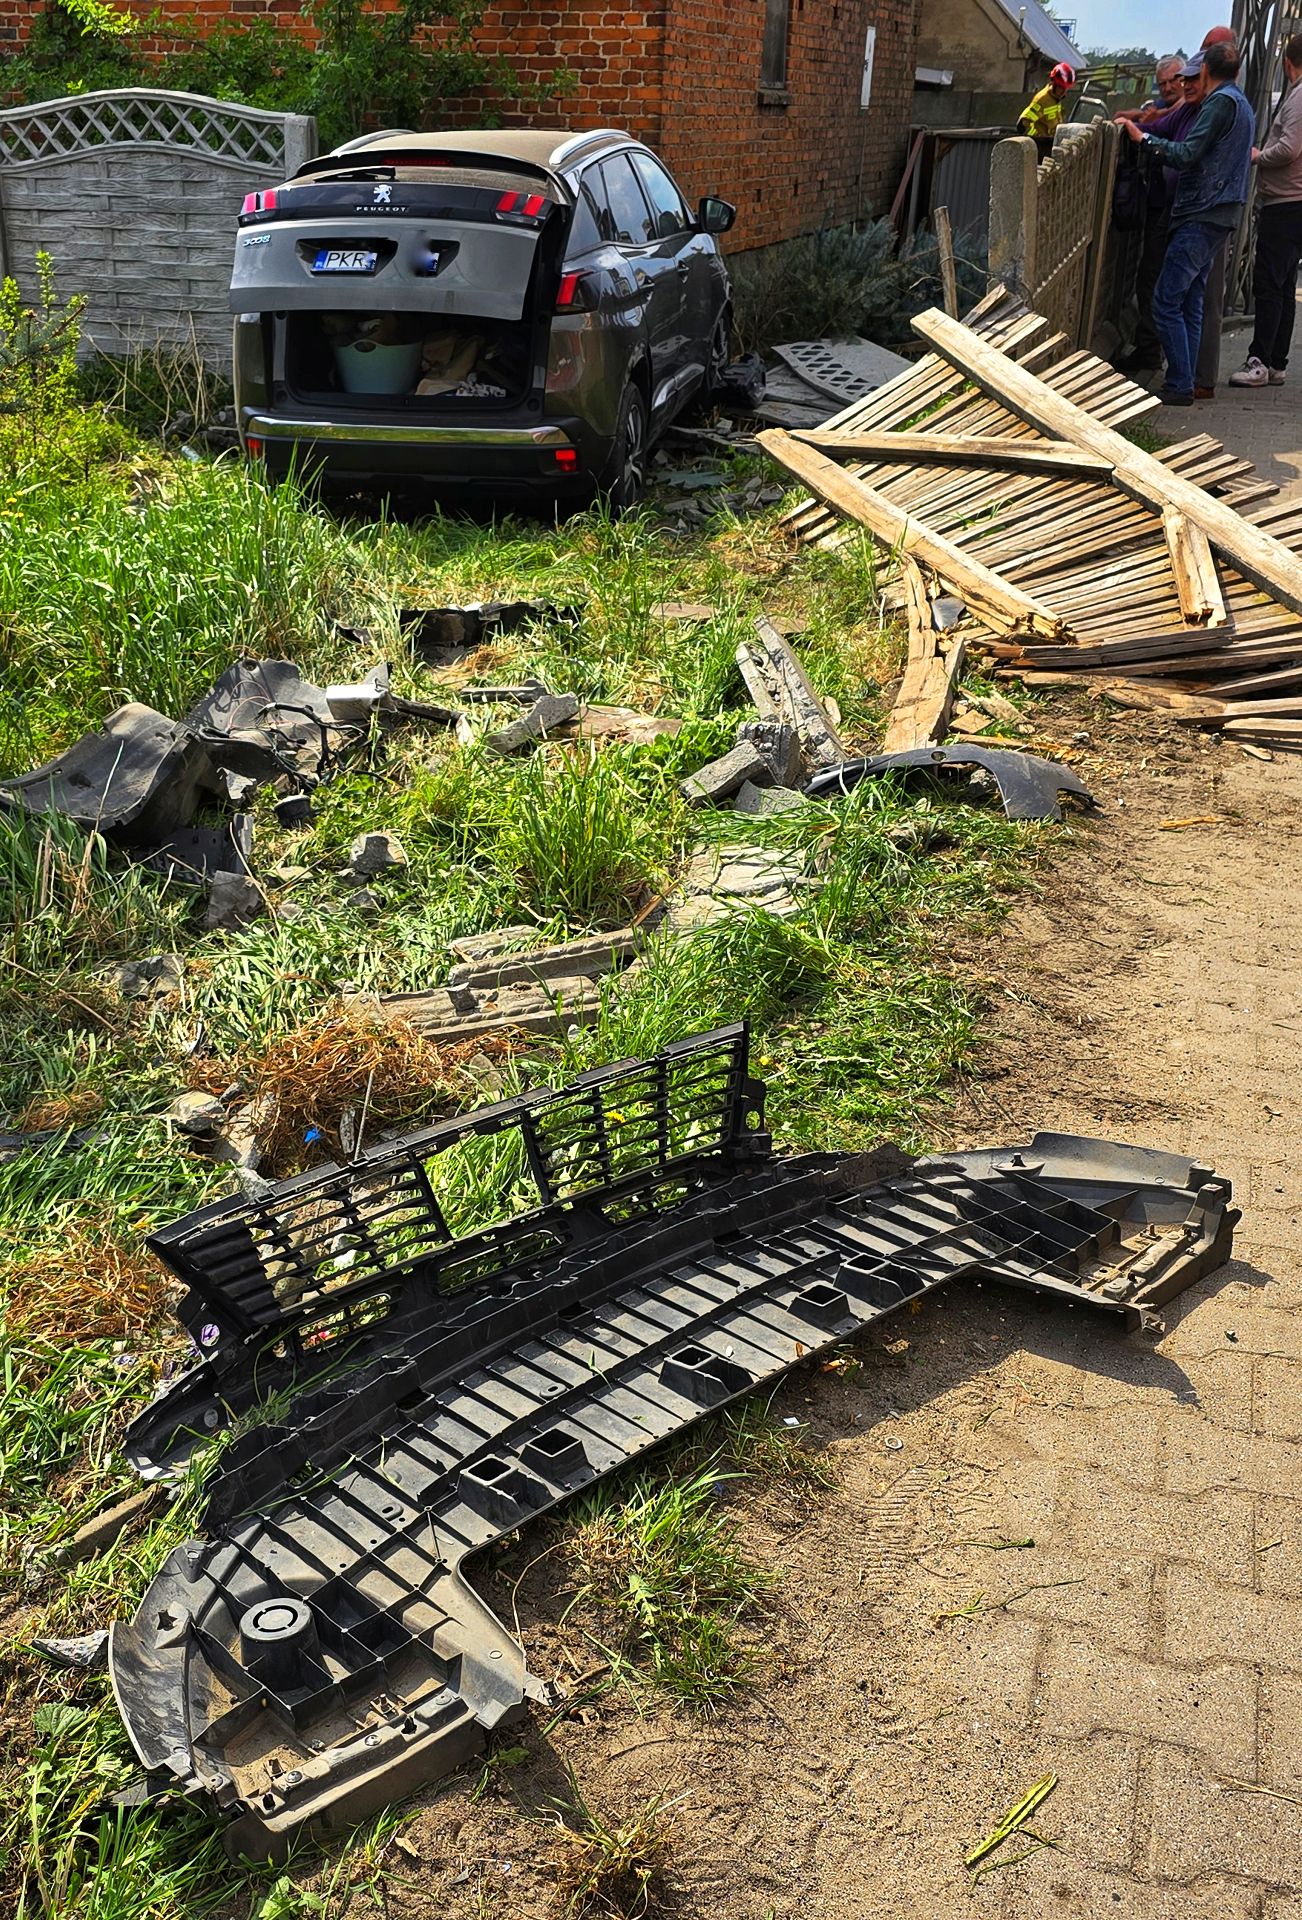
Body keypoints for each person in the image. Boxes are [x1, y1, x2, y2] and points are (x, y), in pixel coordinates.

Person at [1123, 38, 1254, 403]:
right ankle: (1187, 380)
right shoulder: (1240, 102)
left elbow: (1187, 154)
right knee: (1191, 302)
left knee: (1166, 300)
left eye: (1194, 76)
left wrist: (1142, 140)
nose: (1184, 85)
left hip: (1200, 212)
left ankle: (1179, 384)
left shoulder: (1219, 103)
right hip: (1218, 213)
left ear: (1207, 71)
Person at [1115, 59, 1206, 370]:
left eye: (1176, 81)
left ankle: (1165, 363)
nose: (1170, 87)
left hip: (1179, 211)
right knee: (1157, 282)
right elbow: (1152, 124)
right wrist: (1135, 123)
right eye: (1163, 82)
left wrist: (1141, 130)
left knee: (1165, 288)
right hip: (1165, 207)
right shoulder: (1176, 111)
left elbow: (1178, 150)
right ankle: (1166, 361)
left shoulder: (1195, 111)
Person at [1229, 31, 1302, 386]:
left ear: (1287, 63)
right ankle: (1276, 362)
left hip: (1285, 203)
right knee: (1284, 286)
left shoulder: (1299, 96)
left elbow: (1289, 148)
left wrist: (1259, 156)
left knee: (1269, 284)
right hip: (1293, 203)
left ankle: (1258, 360)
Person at [1116, 54, 1185, 124]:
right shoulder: (1157, 105)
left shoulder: (1191, 106)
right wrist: (1139, 115)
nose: (1168, 88)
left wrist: (1158, 117)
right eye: (1162, 84)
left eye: (1173, 81)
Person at [1019, 62, 1075, 140]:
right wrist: (1038, 138)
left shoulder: (1056, 99)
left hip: (1052, 142)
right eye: (1061, 87)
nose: (1064, 92)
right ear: (1053, 83)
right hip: (1042, 145)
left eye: (1066, 89)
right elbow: (1023, 124)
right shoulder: (1042, 100)